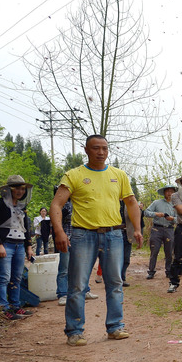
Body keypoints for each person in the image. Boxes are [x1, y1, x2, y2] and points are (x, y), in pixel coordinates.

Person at [50, 135, 142, 346]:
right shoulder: (74, 175)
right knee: (77, 285)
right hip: (83, 235)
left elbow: (131, 202)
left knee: (115, 282)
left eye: (104, 148)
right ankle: (74, 331)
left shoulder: (118, 175)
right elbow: (56, 205)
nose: (101, 152)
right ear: (86, 150)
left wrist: (136, 229)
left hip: (114, 234)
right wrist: (59, 232)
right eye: (96, 148)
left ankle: (116, 327)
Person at [0, 175, 35, 321]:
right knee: (4, 277)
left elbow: (25, 227)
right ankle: (3, 308)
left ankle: (15, 305)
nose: (20, 191)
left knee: (17, 277)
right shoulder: (0, 204)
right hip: (6, 244)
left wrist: (29, 246)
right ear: (9, 190)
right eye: (17, 188)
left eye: (22, 189)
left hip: (19, 244)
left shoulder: (22, 207)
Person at [55, 199, 98, 306]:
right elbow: (56, 220)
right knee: (64, 269)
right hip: (67, 240)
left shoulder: (84, 204)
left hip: (81, 241)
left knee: (83, 268)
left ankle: (85, 290)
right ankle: (63, 294)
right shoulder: (65, 205)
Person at [144, 185, 177, 280]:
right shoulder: (156, 203)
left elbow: (179, 219)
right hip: (156, 229)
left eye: (172, 191)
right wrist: (156, 214)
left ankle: (169, 271)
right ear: (164, 192)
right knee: (154, 251)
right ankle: (151, 271)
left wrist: (172, 219)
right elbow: (146, 212)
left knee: (169, 252)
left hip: (169, 229)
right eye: (168, 191)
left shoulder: (176, 205)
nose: (170, 193)